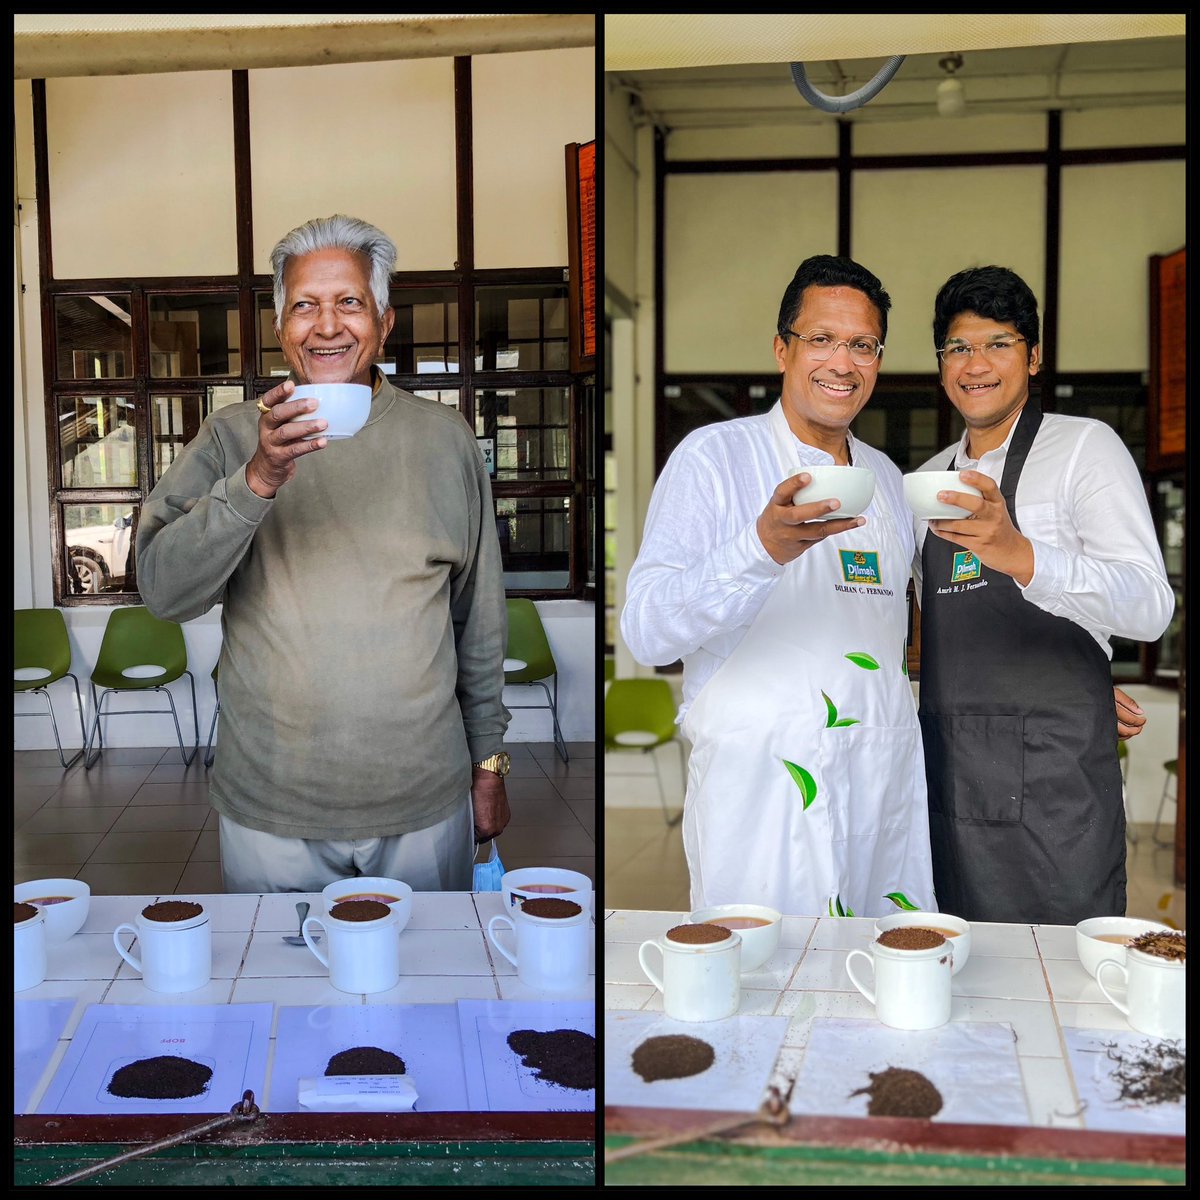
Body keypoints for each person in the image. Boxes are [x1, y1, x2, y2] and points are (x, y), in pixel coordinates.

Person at [136, 214, 512, 894]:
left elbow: (478, 620)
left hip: (423, 799)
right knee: (283, 991)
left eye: (349, 302)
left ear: (384, 321)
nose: (328, 324)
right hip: (273, 805)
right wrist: (257, 481)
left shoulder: (443, 439)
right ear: (281, 328)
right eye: (305, 305)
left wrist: (488, 765)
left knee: (424, 990)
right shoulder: (228, 438)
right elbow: (163, 590)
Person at [621, 255, 934, 919]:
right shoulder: (716, 458)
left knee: (879, 978)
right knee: (760, 979)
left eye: (862, 346)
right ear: (781, 349)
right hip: (762, 791)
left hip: (877, 782)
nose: (841, 364)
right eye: (821, 340)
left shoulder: (886, 480)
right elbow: (647, 629)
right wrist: (760, 548)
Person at [914, 265, 1174, 925]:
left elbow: (1149, 608)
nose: (976, 364)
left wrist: (1022, 555)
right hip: (949, 775)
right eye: (959, 347)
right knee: (959, 975)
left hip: (1056, 786)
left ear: (1033, 357)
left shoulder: (1085, 449)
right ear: (941, 363)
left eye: (998, 343)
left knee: (1063, 983)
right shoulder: (922, 482)